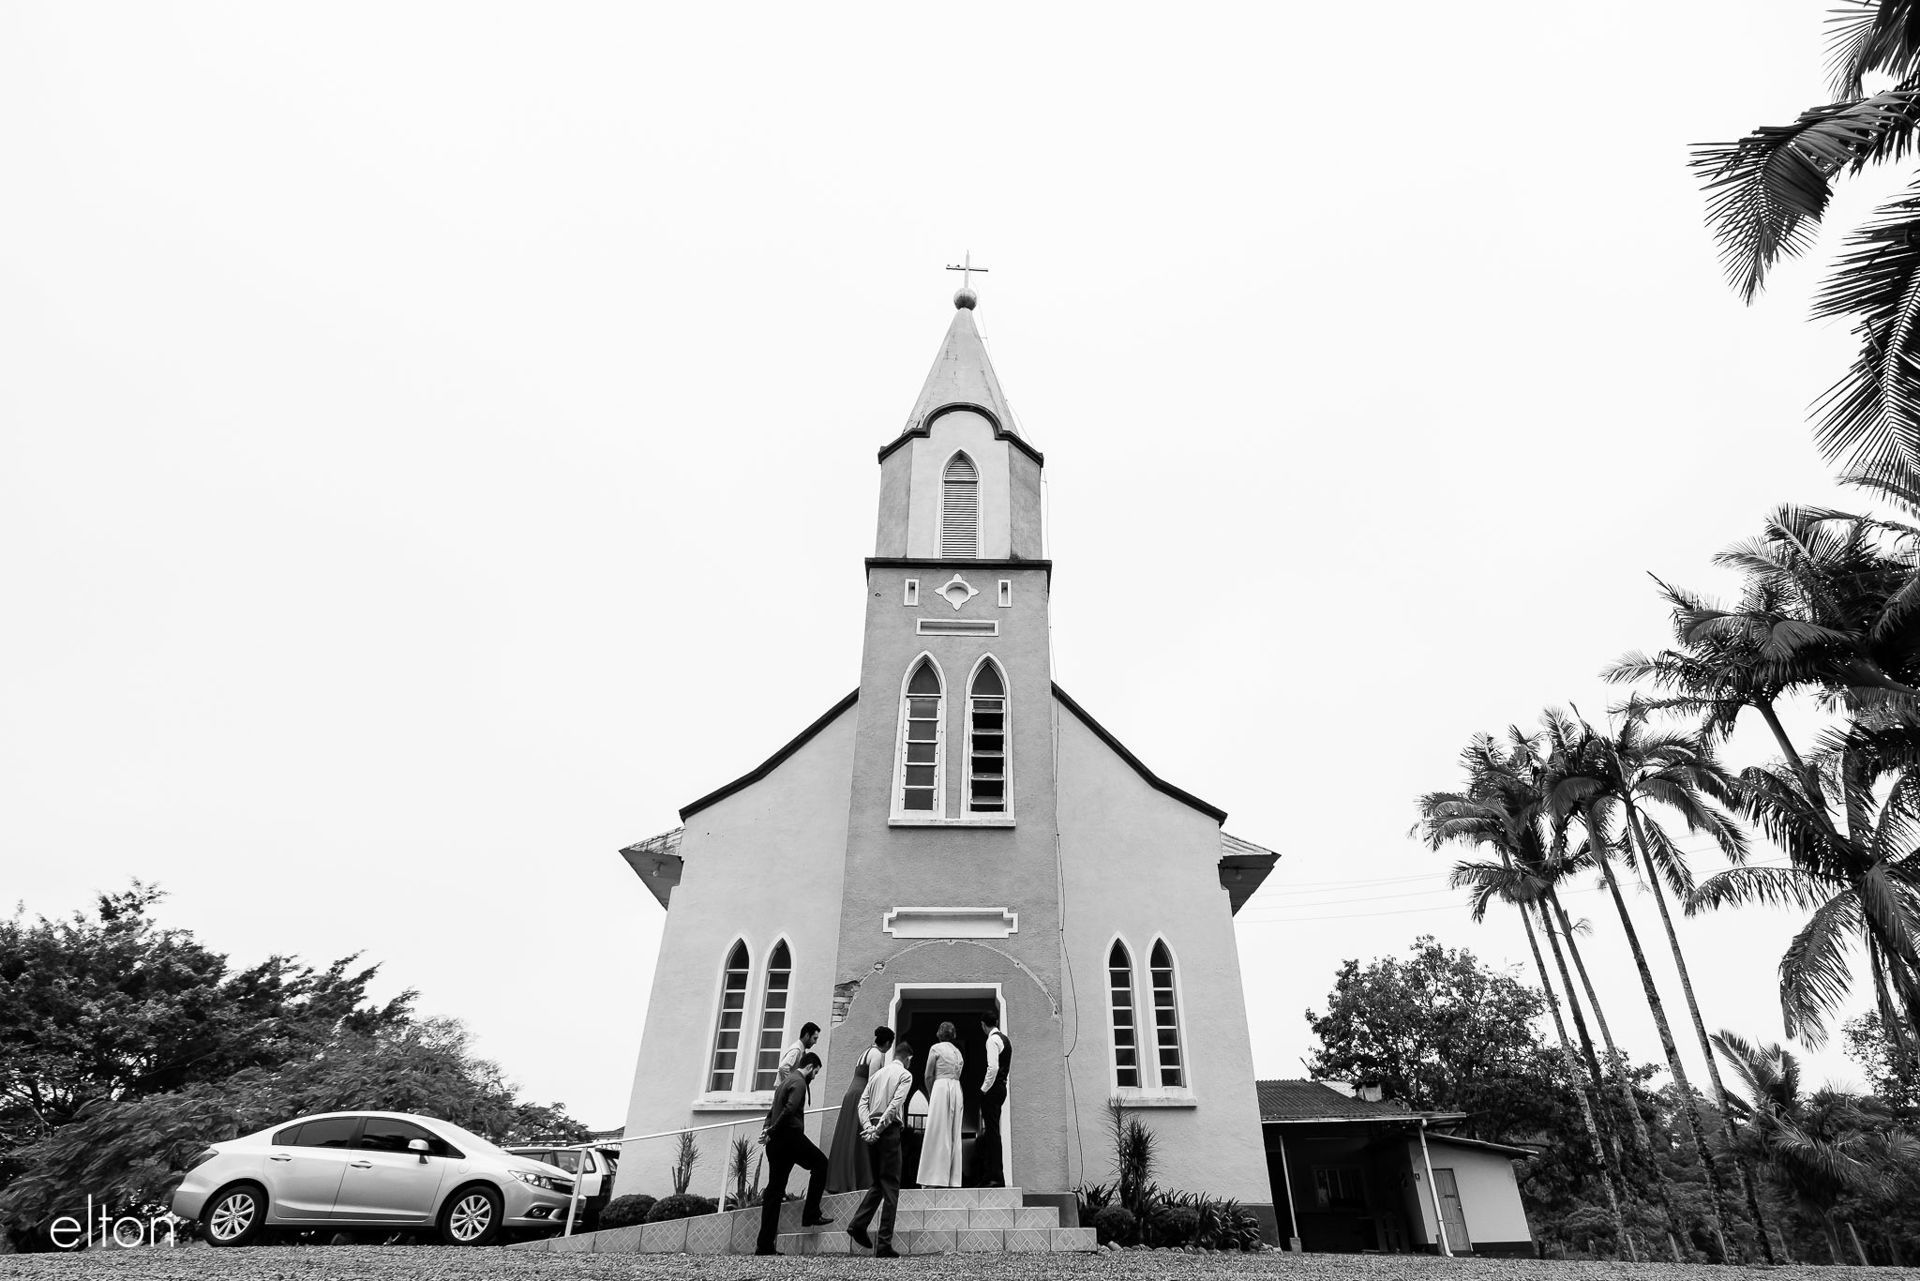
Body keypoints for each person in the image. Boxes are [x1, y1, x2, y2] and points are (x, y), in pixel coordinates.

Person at [755, 1051, 833, 1255]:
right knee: (821, 1164)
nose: (814, 1077)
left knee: (774, 1191)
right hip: (790, 1137)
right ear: (810, 1067)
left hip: (776, 1143)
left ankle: (764, 1246)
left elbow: (773, 1110)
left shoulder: (784, 1081)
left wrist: (767, 1130)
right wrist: (772, 1130)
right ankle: (811, 1214)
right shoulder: (798, 1082)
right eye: (815, 1072)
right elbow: (789, 1110)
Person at [846, 1038, 913, 1258]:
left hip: (872, 1131)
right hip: (888, 1131)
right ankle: (884, 1243)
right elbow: (895, 1105)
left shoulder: (876, 1075)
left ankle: (858, 1224)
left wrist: (868, 1126)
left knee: (877, 1183)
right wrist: (879, 1129)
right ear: (908, 1058)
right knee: (891, 1187)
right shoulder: (905, 1075)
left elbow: (862, 1103)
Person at [827, 1026, 893, 1193]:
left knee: (848, 1136)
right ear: (887, 1043)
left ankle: (843, 1177)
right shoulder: (877, 1055)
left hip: (851, 1093)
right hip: (860, 1095)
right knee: (859, 1137)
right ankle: (859, 1178)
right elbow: (872, 1083)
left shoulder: (865, 1052)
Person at [914, 1022, 965, 1187]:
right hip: (956, 1088)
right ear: (954, 1035)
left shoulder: (935, 1048)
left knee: (936, 1130)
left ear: (938, 1034)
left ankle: (933, 1178)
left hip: (941, 1087)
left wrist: (931, 1094)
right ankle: (952, 1178)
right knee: (953, 1132)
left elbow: (928, 1075)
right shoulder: (958, 1052)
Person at [974, 1011, 1011, 1187]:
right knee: (993, 1132)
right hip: (1002, 1087)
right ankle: (995, 1174)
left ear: (983, 1024)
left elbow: (993, 1067)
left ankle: (995, 1176)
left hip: (993, 1088)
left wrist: (983, 1089)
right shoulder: (1005, 1039)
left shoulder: (992, 1040)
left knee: (992, 1133)